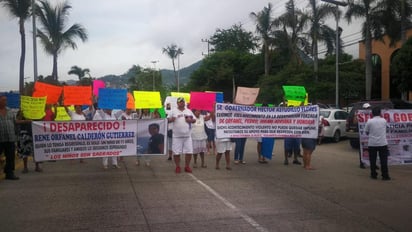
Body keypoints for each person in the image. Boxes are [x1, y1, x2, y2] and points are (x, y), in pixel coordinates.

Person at [167, 97, 196, 173]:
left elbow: (194, 120)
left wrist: (191, 120)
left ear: (184, 103)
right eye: (180, 102)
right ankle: (177, 166)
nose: (181, 103)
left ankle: (187, 166)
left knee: (189, 152)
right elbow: (166, 120)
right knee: (176, 152)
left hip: (187, 136)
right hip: (177, 136)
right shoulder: (173, 111)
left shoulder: (188, 111)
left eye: (183, 101)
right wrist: (171, 119)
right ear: (177, 103)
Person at [364, 106, 390, 180]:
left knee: (372, 160)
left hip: (372, 143)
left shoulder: (369, 121)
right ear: (380, 113)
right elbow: (387, 128)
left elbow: (366, 132)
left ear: (372, 113)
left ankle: (373, 175)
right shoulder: (384, 120)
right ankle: (385, 176)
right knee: (384, 160)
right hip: (383, 143)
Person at [0, 94, 19, 180]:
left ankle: (9, 173)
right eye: (3, 100)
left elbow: (15, 122)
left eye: (5, 100)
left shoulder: (10, 111)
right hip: (1, 138)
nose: (5, 102)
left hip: (10, 137)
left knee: (10, 157)